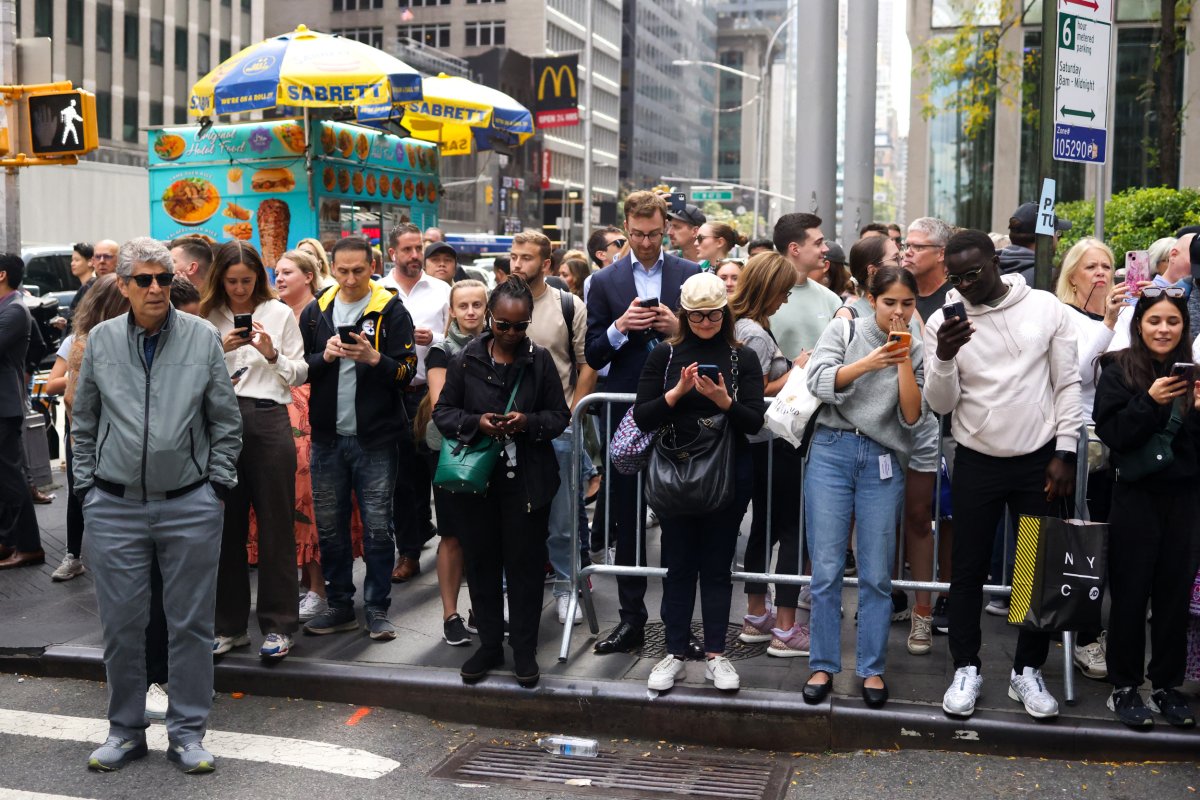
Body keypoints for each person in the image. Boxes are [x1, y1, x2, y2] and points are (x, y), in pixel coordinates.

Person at [71, 237, 242, 773]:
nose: (154, 289)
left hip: (190, 502)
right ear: (122, 285)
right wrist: (87, 490)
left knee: (190, 625)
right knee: (122, 627)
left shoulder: (200, 338)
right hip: (114, 505)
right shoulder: (100, 340)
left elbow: (225, 421)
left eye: (163, 279)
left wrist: (215, 487)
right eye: (143, 279)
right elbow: (84, 421)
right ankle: (125, 731)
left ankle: (188, 733)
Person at [924, 230, 1081, 720]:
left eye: (974, 273)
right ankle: (966, 666)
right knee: (968, 569)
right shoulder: (942, 321)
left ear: (996, 261)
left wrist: (1067, 450)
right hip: (976, 458)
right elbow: (940, 404)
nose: (965, 284)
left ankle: (1026, 671)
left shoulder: (1045, 307)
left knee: (1033, 572)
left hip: (1038, 460)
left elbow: (1067, 382)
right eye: (956, 277)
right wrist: (945, 357)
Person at [432, 276, 570, 687]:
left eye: (520, 326)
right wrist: (478, 423)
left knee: (525, 570)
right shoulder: (465, 360)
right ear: (490, 318)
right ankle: (490, 645)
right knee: (483, 566)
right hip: (477, 485)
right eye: (503, 325)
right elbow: (444, 414)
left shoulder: (539, 360)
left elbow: (559, 416)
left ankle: (524, 651)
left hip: (527, 483)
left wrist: (528, 422)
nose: (511, 333)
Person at [635, 272, 766, 692]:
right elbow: (642, 415)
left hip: (727, 474)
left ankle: (716, 654)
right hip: (675, 472)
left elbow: (753, 421)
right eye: (696, 316)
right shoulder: (665, 355)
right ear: (684, 314)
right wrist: (677, 392)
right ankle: (673, 652)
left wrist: (722, 400)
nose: (705, 323)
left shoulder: (741, 357)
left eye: (712, 315)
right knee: (677, 566)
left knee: (716, 567)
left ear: (724, 312)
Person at [802, 266, 925, 708]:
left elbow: (912, 416)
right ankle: (822, 665)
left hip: (882, 458)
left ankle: (871, 669)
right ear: (872, 299)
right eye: (890, 302)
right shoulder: (844, 327)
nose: (898, 311)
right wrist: (872, 362)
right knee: (828, 567)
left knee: (876, 573)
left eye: (907, 303)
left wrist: (904, 357)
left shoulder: (916, 344)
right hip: (831, 450)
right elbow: (818, 381)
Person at [585, 190, 701, 656]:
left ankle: (678, 626)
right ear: (626, 229)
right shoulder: (605, 281)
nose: (648, 243)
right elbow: (592, 353)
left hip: (679, 411)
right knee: (627, 521)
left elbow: (712, 341)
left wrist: (678, 329)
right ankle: (631, 620)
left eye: (655, 234)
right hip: (626, 412)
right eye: (638, 235)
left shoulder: (690, 275)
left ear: (666, 228)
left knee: (678, 521)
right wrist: (620, 327)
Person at [299, 236, 416, 640]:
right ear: (331, 268)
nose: (350, 279)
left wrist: (374, 359)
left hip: (376, 439)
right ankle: (339, 604)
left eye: (358, 271)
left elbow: (406, 374)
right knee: (330, 528)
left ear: (373, 267)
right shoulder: (317, 310)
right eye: (342, 270)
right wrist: (325, 356)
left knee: (378, 527)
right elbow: (303, 370)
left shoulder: (390, 309)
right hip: (328, 438)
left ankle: (377, 607)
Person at [1094, 287, 1200, 729]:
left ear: (1184, 328)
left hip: (1186, 498)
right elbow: (1113, 434)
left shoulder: (1196, 376)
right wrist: (1149, 401)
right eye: (1155, 320)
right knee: (1131, 594)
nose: (1163, 329)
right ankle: (1124, 686)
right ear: (1139, 325)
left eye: (1172, 322)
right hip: (1135, 496)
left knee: (1174, 596)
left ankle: (1165, 686)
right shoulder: (1119, 368)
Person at [201, 241, 307, 661]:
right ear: (219, 279)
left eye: (247, 280)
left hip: (267, 414)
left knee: (275, 524)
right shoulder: (207, 314)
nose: (240, 289)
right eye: (232, 281)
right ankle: (229, 626)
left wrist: (271, 353)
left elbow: (300, 371)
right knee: (224, 527)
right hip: (220, 418)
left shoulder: (278, 312)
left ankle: (280, 625)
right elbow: (194, 374)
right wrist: (218, 351)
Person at [508, 230, 597, 624]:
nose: (516, 264)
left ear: (545, 264)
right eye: (513, 256)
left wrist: (572, 414)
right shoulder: (502, 302)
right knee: (511, 520)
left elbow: (586, 364)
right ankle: (512, 591)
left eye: (525, 258)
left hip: (556, 428)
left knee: (562, 521)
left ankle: (566, 589)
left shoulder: (567, 304)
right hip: (507, 430)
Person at [729, 252, 809, 656]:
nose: (786, 300)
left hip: (760, 445)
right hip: (771, 442)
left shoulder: (742, 325)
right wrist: (797, 372)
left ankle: (758, 615)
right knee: (793, 529)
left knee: (763, 527)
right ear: (768, 289)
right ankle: (785, 627)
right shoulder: (755, 333)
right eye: (783, 292)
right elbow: (754, 392)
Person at [48, 275, 130, 581]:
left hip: (114, 436)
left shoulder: (135, 335)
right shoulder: (78, 341)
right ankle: (74, 555)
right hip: (87, 434)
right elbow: (55, 388)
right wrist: (81, 378)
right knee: (82, 496)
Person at [381, 225, 451, 583]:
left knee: (441, 471)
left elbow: (457, 336)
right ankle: (408, 551)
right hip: (395, 393)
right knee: (404, 480)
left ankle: (450, 548)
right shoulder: (379, 291)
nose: (413, 255)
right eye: (406, 249)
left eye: (417, 248)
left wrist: (434, 337)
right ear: (392, 252)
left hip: (433, 393)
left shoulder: (441, 289)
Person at [422, 279, 489, 645]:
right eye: (463, 306)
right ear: (452, 310)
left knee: (486, 535)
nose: (470, 312)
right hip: (453, 451)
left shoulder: (500, 343)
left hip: (492, 451)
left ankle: (482, 611)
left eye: (477, 305)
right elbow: (440, 406)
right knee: (451, 535)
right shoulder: (440, 350)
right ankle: (451, 615)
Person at [900, 216, 955, 642]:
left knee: (950, 515)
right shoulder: (898, 294)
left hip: (953, 427)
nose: (907, 252)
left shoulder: (954, 299)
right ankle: (905, 597)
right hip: (901, 427)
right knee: (908, 514)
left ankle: (949, 595)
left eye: (917, 246)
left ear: (941, 254)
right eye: (906, 245)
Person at [0, 254, 43, 569]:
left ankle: (30, 546)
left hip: (5, 407)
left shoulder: (15, 310)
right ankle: (8, 539)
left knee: (13, 479)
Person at [768, 213, 843, 362]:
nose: (826, 249)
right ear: (795, 249)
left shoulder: (831, 300)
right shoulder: (762, 297)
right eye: (818, 243)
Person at [999, 202, 1072, 285]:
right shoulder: (1049, 277)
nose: (1058, 240)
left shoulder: (993, 267)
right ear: (1047, 238)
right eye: (1058, 234)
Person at [836, 235, 902, 320]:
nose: (902, 264)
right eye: (895, 259)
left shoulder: (910, 307)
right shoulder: (848, 316)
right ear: (872, 271)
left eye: (901, 258)